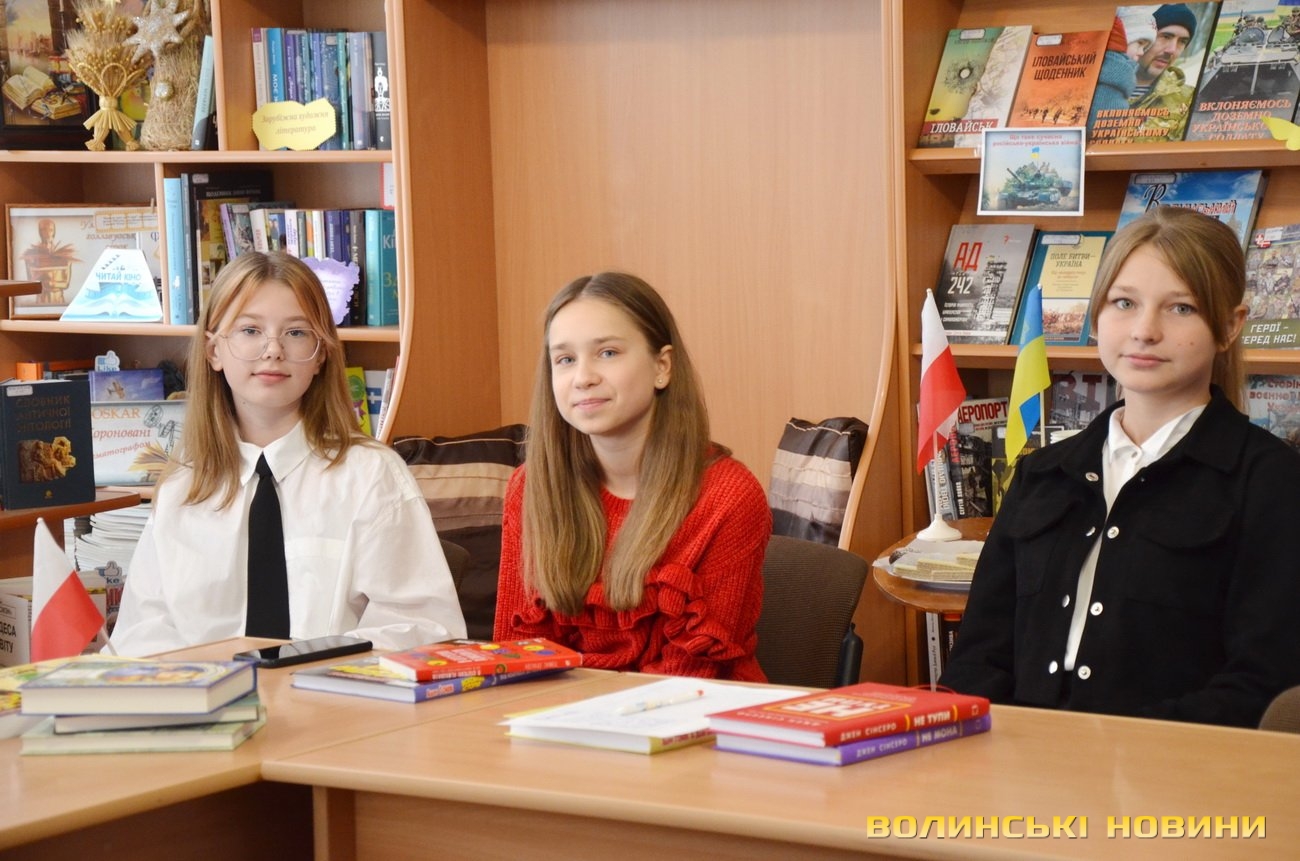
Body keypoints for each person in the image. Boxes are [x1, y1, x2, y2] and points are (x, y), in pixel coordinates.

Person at [940, 206, 1300, 728]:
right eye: (1124, 303)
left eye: (1181, 308)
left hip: (1179, 764)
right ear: (1096, 318)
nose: (1145, 331)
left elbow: (1265, 682)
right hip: (1018, 758)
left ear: (1229, 326)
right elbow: (978, 657)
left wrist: (1115, 754)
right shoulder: (1043, 473)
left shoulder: (1272, 482)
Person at [111, 252, 466, 655]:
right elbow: (141, 635)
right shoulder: (183, 486)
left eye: (296, 333)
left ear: (321, 354)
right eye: (250, 330)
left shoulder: (370, 475)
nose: (273, 350)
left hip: (334, 687)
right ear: (213, 352)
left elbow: (424, 627)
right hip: (209, 688)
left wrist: (314, 669)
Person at [493, 272, 770, 681]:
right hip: (561, 713)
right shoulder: (531, 487)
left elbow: (688, 676)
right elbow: (516, 655)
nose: (583, 377)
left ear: (662, 366)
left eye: (607, 353)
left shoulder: (729, 495)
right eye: (565, 360)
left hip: (692, 712)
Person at [1128, 3, 1199, 140]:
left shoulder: (1189, 101)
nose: (1172, 50)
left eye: (1182, 42)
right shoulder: (1101, 87)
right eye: (1165, 37)